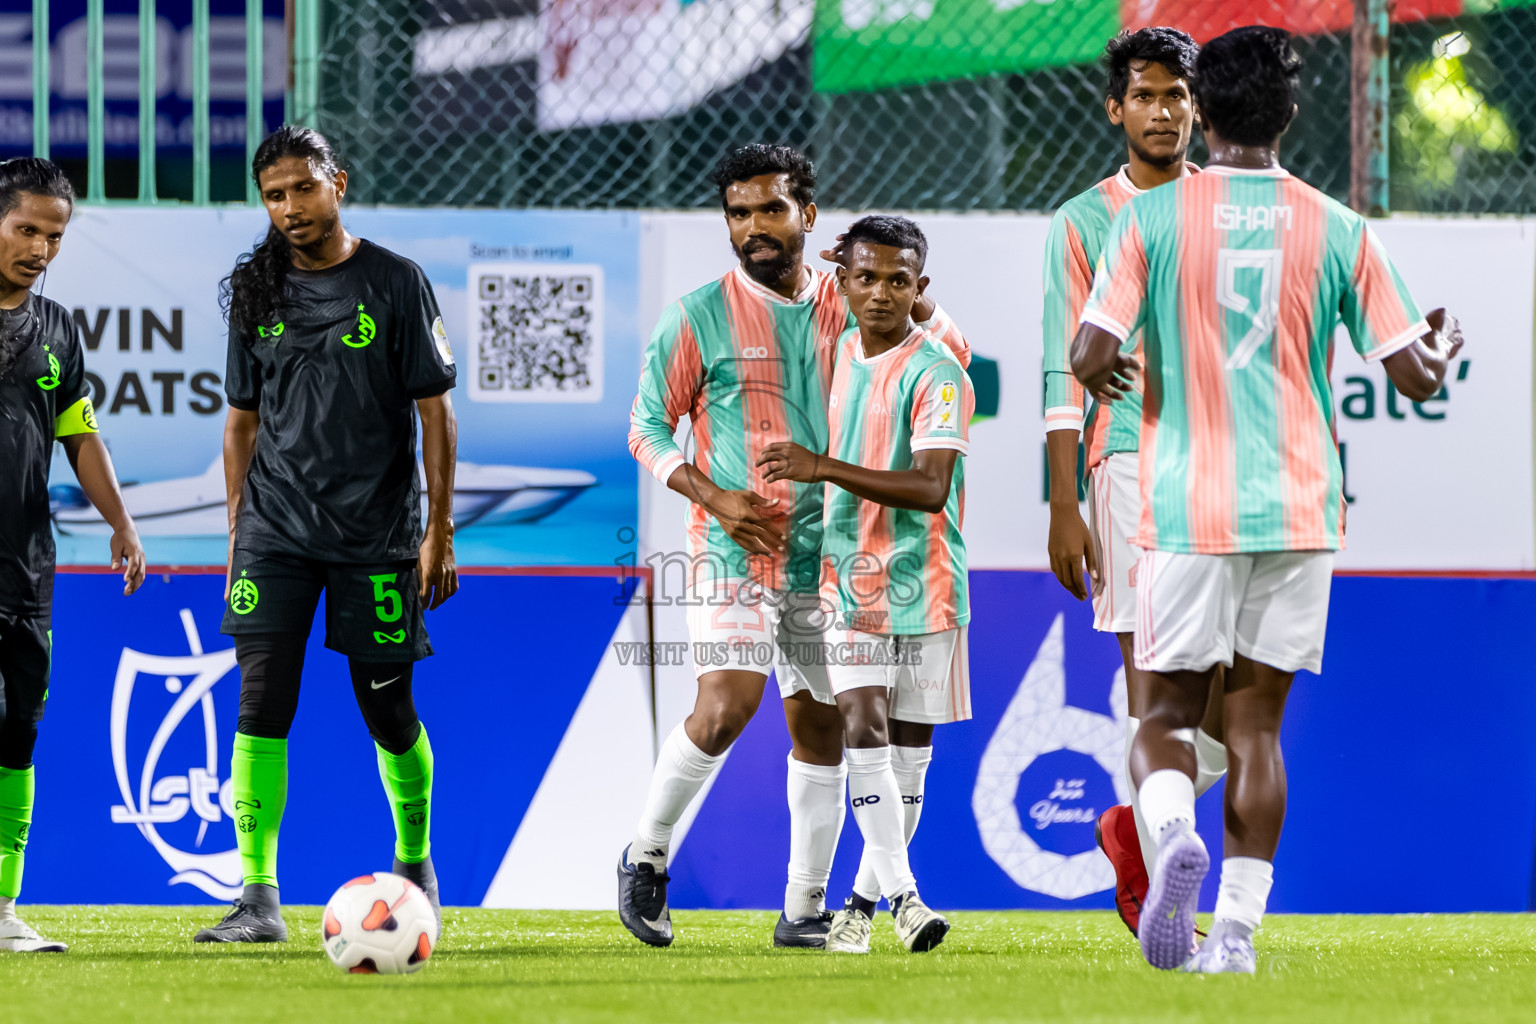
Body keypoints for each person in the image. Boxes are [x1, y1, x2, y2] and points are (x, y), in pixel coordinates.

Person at [1072, 26, 1463, 973]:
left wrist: (1119, 363)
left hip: (1185, 504)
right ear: (1290, 112)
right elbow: (1413, 376)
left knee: (1163, 720)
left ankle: (1170, 841)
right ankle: (1238, 937)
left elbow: (1088, 356)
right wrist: (1440, 348)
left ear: (1200, 110)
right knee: (1255, 730)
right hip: (1297, 508)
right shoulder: (1337, 226)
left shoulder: (1151, 219)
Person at [624, 145, 969, 948]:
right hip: (733, 547)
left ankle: (804, 907)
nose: (754, 228)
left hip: (836, 556)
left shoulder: (853, 296)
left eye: (771, 210)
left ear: (808, 218)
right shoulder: (697, 315)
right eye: (739, 214)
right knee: (726, 707)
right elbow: (644, 428)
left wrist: (921, 307)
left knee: (823, 731)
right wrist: (713, 494)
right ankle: (645, 857)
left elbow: (944, 350)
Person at [193, 127, 459, 943]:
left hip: (376, 535)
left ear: (336, 182)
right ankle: (257, 896)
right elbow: (240, 423)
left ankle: (413, 859)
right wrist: (240, 526)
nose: (289, 208)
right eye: (274, 195)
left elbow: (434, 412)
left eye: (302, 189)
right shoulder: (255, 291)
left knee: (387, 708)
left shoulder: (394, 282)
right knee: (261, 700)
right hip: (275, 530)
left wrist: (437, 530)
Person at [1040, 26, 1227, 938]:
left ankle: (1131, 828)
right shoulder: (1082, 221)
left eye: (1178, 96)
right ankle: (1167, 895)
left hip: (1232, 469)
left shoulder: (1231, 207)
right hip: (1125, 468)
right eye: (1146, 95)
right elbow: (1059, 368)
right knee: (1152, 681)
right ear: (1117, 108)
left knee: (1228, 703)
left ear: (1200, 107)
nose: (1164, 111)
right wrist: (1063, 502)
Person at [760, 215, 971, 954]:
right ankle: (908, 900)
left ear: (919, 290)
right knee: (863, 730)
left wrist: (822, 467)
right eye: (865, 277)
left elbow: (931, 487)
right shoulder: (830, 355)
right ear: (841, 280)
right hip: (845, 586)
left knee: (908, 763)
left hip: (928, 587)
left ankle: (858, 904)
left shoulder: (939, 371)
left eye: (897, 280)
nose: (880, 292)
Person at [0, 157, 146, 952]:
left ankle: (2, 910)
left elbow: (78, 434)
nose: (40, 249)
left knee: (17, 732)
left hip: (26, 570)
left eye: (53, 237)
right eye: (26, 230)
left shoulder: (58, 330)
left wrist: (122, 523)